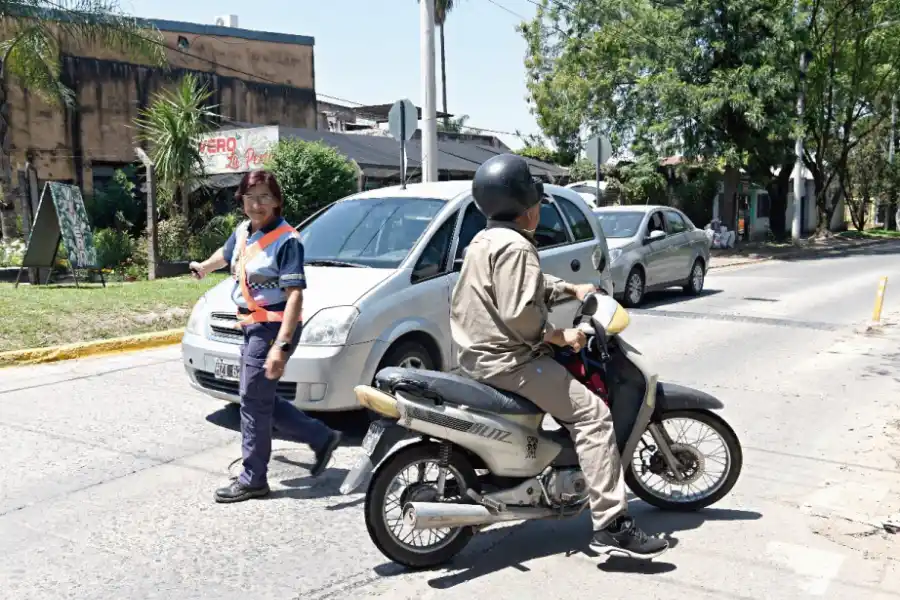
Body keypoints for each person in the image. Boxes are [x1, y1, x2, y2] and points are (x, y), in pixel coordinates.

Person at [449, 153, 669, 559]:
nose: (538, 209)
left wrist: (571, 289)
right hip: (509, 361)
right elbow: (520, 314)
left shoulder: (485, 239)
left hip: (476, 355)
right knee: (593, 415)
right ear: (524, 206)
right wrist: (560, 335)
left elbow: (521, 288)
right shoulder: (516, 247)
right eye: (535, 201)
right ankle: (611, 525)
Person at [189, 169, 342, 504]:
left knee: (252, 404)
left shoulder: (287, 240)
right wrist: (204, 266)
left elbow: (295, 297)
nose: (257, 205)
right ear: (241, 200)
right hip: (251, 327)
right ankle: (321, 436)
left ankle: (253, 478)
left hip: (273, 329)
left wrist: (281, 347)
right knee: (260, 399)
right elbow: (227, 254)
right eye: (250, 197)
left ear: (276, 201)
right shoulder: (245, 231)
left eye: (264, 197)